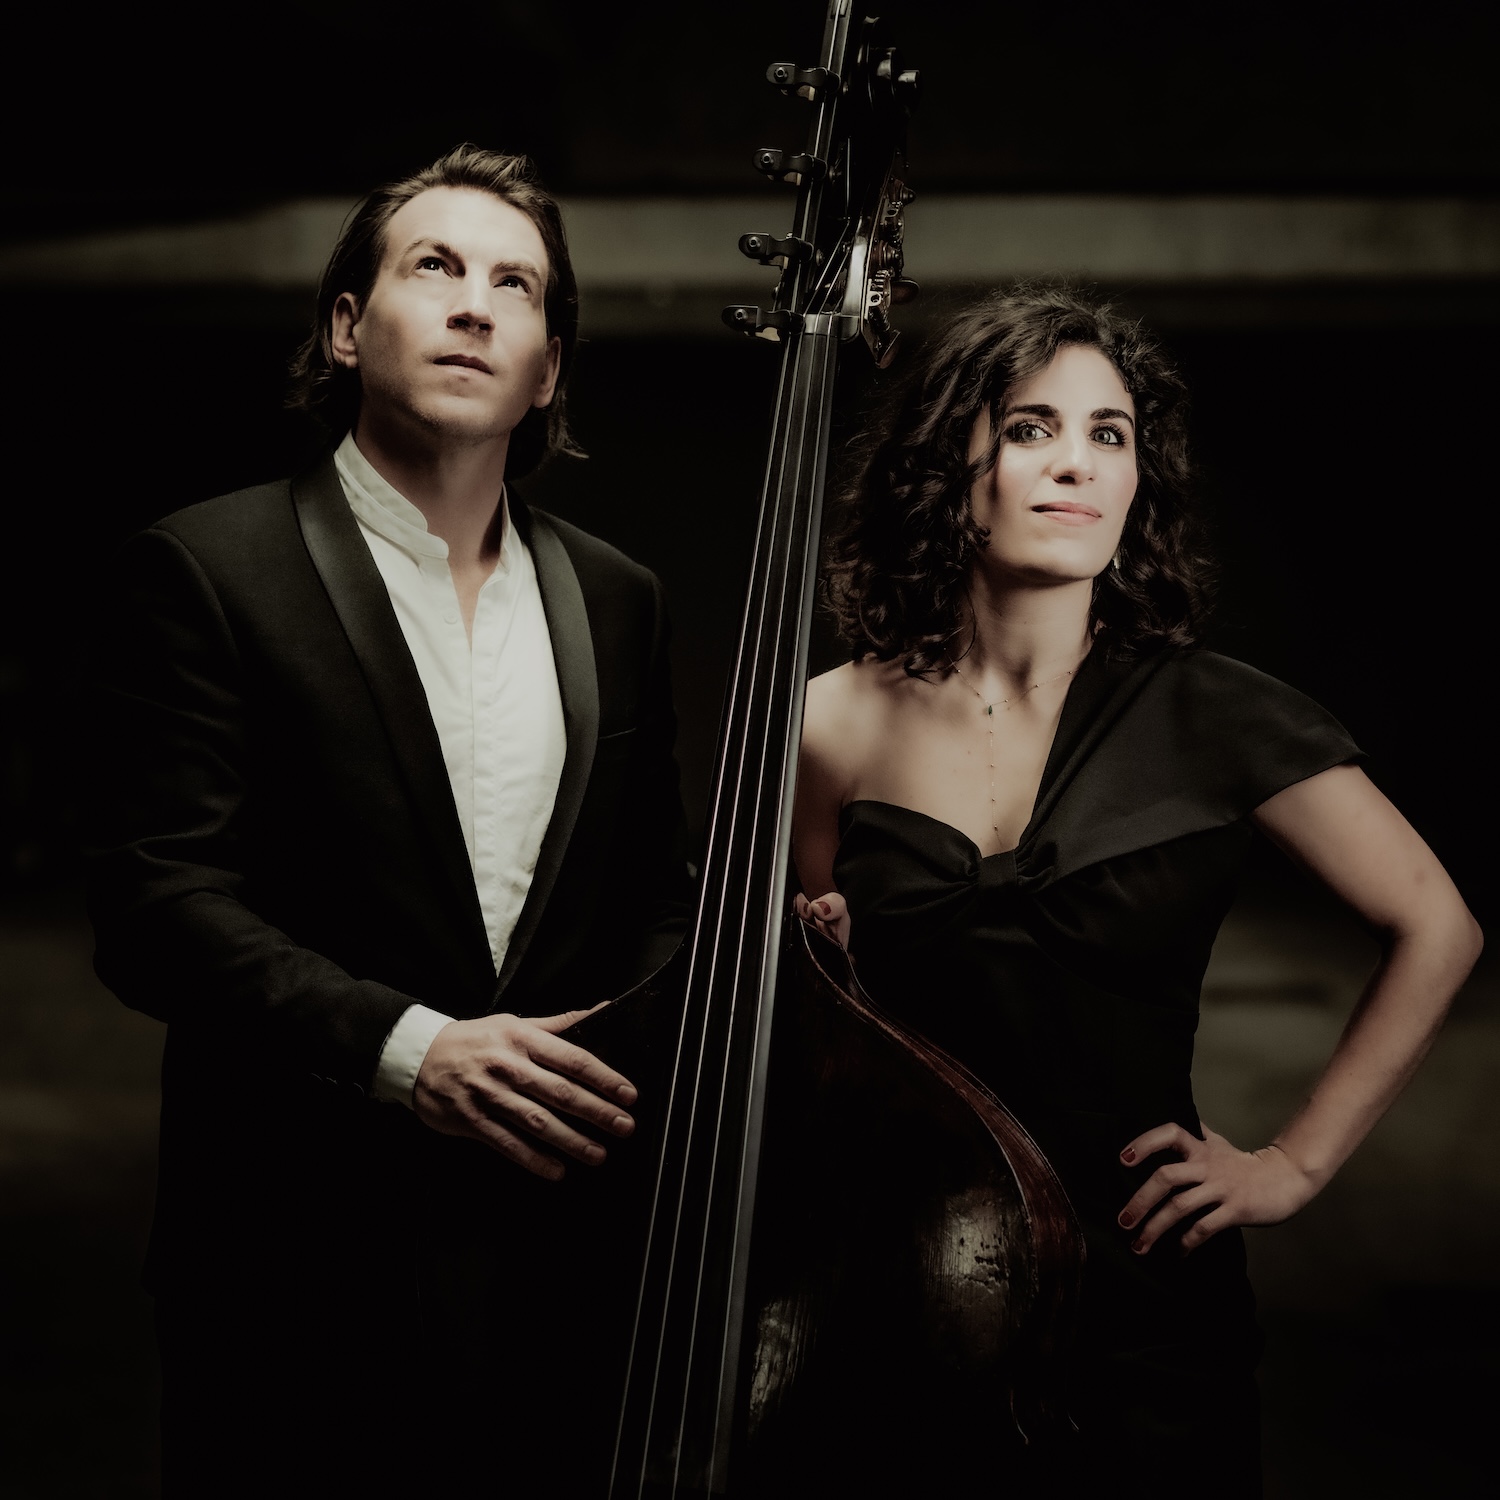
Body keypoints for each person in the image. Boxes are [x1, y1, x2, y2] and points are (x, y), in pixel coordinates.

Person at [791, 285, 1480, 1494]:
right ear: (950, 464)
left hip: (1148, 1300)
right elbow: (813, 1004)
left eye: (1109, 434)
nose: (1078, 464)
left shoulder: (1217, 713)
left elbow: (1437, 925)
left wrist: (1293, 1165)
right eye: (1031, 427)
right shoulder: (830, 721)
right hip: (902, 1286)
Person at [85, 146, 691, 1496]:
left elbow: (657, 888)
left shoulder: (619, 598)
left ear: (548, 368)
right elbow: (156, 907)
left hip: (560, 1259)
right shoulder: (205, 568)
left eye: (515, 285)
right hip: (291, 1264)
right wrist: (412, 1054)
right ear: (348, 328)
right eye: (436, 267)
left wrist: (635, 1032)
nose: (476, 304)